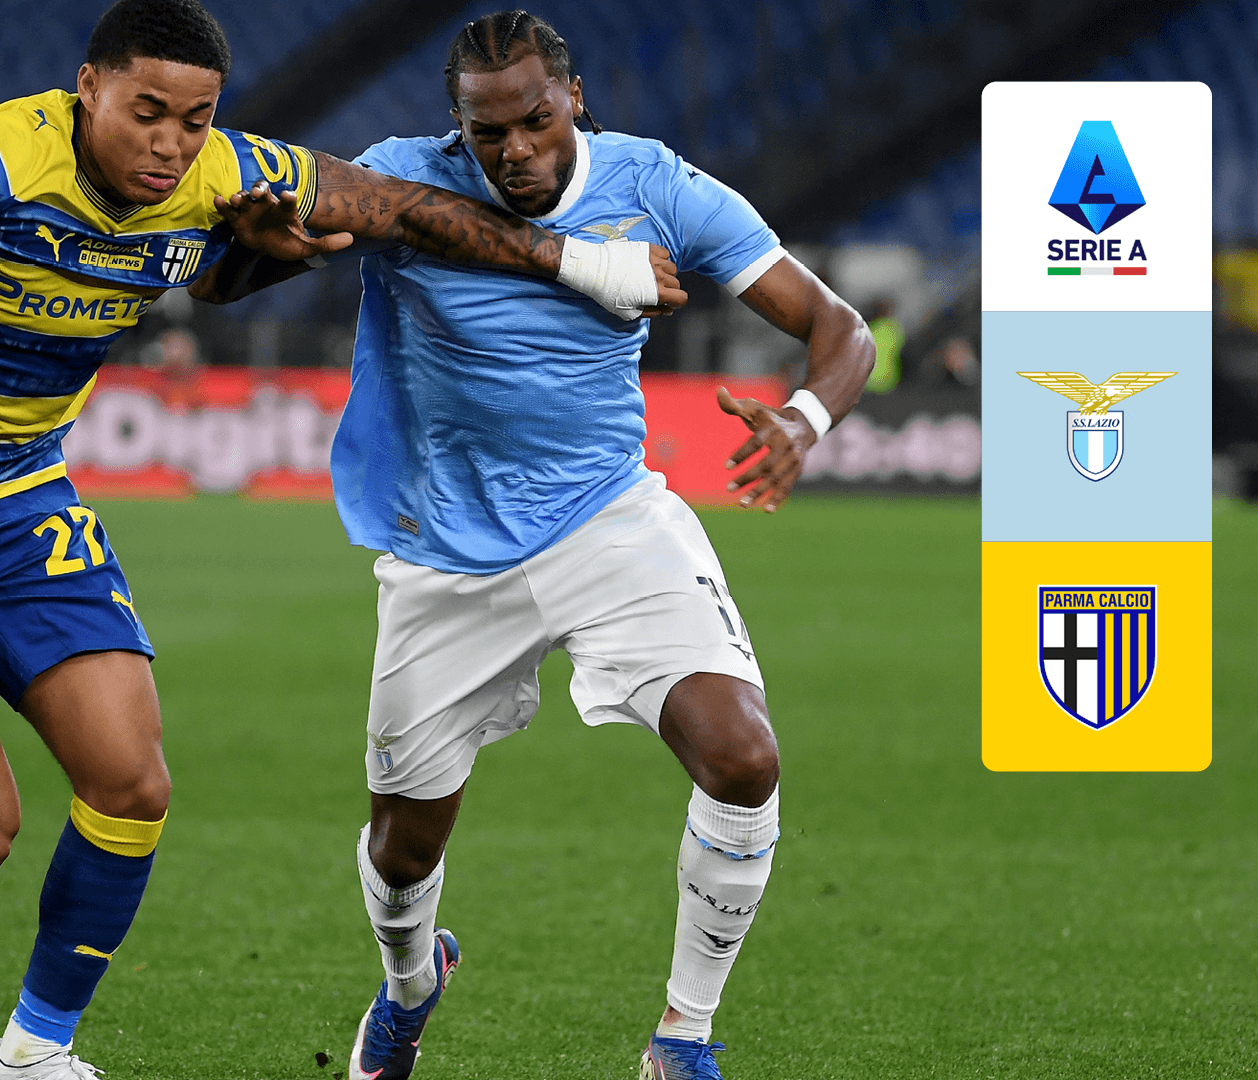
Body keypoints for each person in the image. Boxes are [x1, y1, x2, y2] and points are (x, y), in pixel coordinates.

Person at [0, 2, 681, 1077]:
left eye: (195, 120)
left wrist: (575, 262)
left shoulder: (226, 173)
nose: (170, 144)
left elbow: (396, 208)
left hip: (20, 495)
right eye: (146, 112)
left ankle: (33, 1054)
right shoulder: (3, 155)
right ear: (89, 89)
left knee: (132, 786)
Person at [193, 11, 874, 1080]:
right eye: (488, 132)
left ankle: (683, 1039)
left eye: (536, 121)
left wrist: (805, 418)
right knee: (403, 849)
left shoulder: (654, 184)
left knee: (744, 759)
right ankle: (410, 986)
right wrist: (247, 245)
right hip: (445, 555)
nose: (515, 150)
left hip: (609, 522)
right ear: (455, 126)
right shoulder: (400, 178)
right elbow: (223, 285)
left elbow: (841, 327)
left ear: (574, 101)